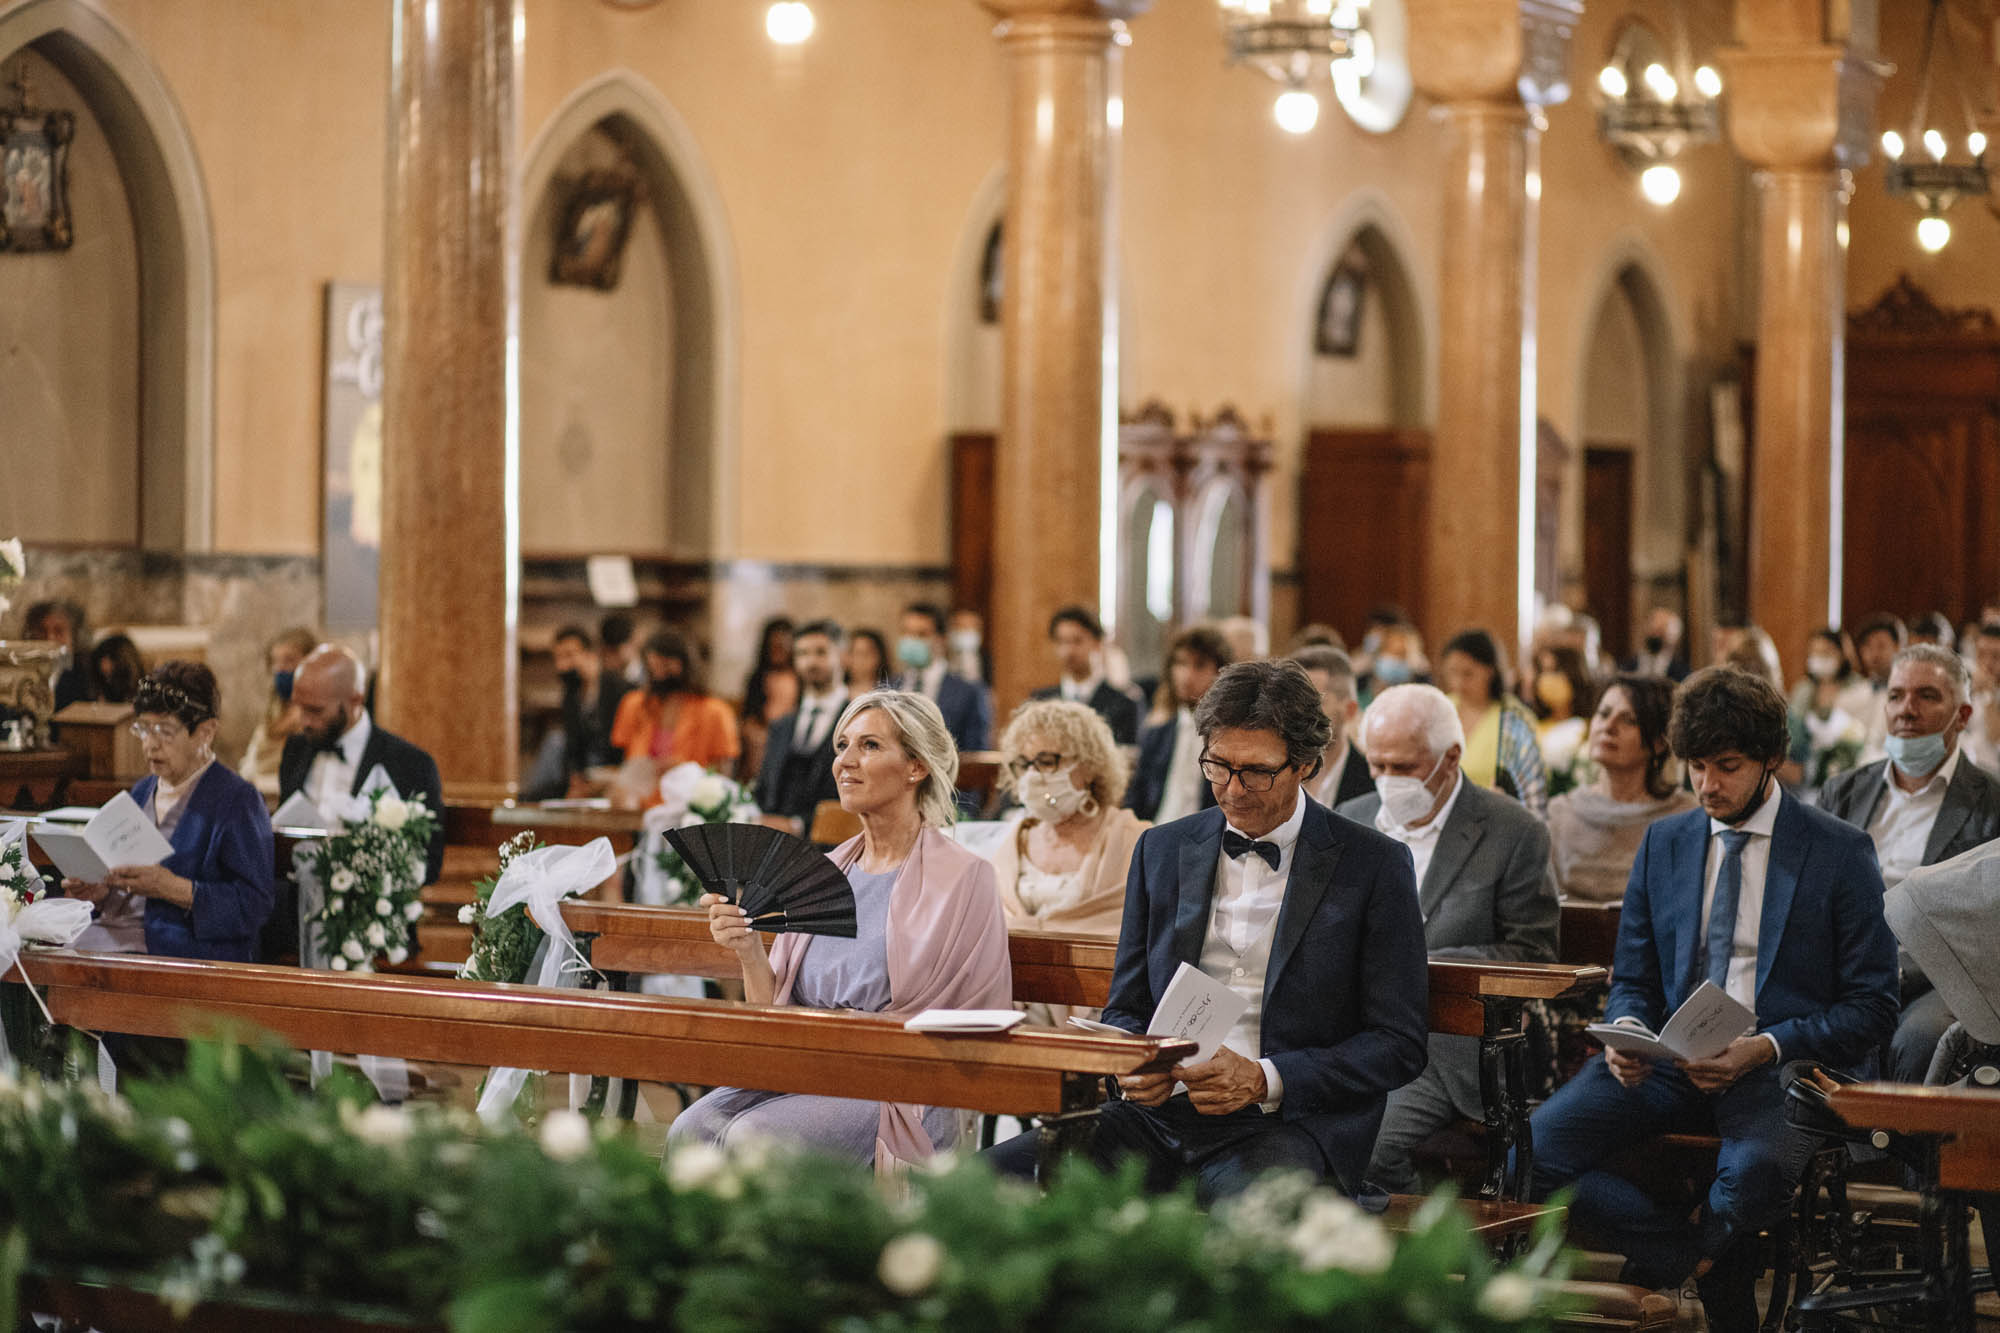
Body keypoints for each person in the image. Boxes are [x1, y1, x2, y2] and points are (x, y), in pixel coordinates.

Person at [1528, 667, 1900, 1331]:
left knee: (1754, 1179)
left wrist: (1766, 1044)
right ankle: (1692, 1255)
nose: (1706, 785)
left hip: (1778, 1065)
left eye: (1726, 766)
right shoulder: (1666, 842)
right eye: (1696, 766)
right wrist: (1629, 1029)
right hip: (1668, 1060)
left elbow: (1873, 1005)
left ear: (1771, 759)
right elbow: (1633, 977)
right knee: (1525, 1152)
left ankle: (1687, 1257)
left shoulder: (1838, 851)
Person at [986, 659, 1429, 1203]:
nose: (1233, 790)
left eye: (1256, 772)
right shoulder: (1163, 849)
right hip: (1153, 1118)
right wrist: (1132, 1066)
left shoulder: (1373, 865)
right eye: (1217, 766)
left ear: (1306, 765)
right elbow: (1127, 1006)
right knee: (983, 1184)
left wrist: (1266, 1077)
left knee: (1246, 1229)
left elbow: (1399, 1044)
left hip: (1286, 1126)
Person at [674, 689, 1011, 1170]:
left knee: (752, 1139)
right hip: (806, 1067)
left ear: (916, 767)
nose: (845, 762)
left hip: (900, 1084)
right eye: (841, 746)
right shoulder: (823, 871)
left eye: (869, 746)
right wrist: (749, 948)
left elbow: (974, 1020)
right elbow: (773, 1013)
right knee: (690, 1130)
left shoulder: (963, 877)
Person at [1335, 683, 1560, 1193]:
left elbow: (1534, 954)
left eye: (1404, 767)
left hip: (1450, 1045)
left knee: (1366, 1149)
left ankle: (1432, 1249)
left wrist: (1418, 962)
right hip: (1347, 1037)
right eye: (1377, 764)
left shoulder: (1513, 832)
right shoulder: (1350, 818)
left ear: (1451, 757)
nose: (1387, 780)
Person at [1816, 644, 2000, 1082]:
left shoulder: (1991, 801)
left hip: (1938, 974)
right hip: (1843, 963)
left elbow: (1986, 926)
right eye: (1896, 696)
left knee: (1922, 1038)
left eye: (1927, 696)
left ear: (1963, 715)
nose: (1907, 710)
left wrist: (1892, 971)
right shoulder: (1843, 792)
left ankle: (1895, 1150)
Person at [66, 662, 275, 962]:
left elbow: (255, 906)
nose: (150, 745)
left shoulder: (237, 800)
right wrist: (100, 893)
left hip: (180, 954)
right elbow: (123, 882)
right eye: (143, 729)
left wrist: (174, 888)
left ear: (206, 732)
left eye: (165, 731)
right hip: (113, 936)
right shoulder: (141, 792)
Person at [279, 645, 446, 885]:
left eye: (314, 710)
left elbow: (428, 864)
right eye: (298, 706)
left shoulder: (411, 764)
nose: (303, 721)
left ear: (355, 699)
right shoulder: (296, 749)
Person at [987, 698, 1147, 937]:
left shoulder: (1131, 840)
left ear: (1090, 766)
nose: (1032, 776)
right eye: (1024, 764)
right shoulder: (1015, 839)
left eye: (1046, 762)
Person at [1546, 675, 1696, 902]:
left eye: (1629, 720)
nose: (1609, 727)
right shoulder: (1559, 814)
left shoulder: (1686, 816)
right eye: (1603, 714)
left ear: (1658, 742)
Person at [610, 629, 741, 793]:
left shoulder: (716, 712)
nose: (659, 674)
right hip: (641, 803)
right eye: (653, 667)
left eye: (666, 664)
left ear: (686, 664)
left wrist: (686, 770)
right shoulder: (634, 704)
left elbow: (724, 777)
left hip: (692, 803)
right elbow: (622, 764)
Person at [1438, 628, 1550, 818]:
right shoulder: (1439, 708)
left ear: (1490, 671)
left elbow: (1533, 786)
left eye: (1468, 674)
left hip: (1495, 819)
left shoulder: (1514, 718)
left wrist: (1508, 799)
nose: (1458, 683)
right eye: (1452, 672)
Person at [1127, 626, 1232, 822]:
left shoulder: (1231, 737)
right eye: (1181, 663)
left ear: (1219, 672)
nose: (1187, 675)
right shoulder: (1157, 734)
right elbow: (1136, 800)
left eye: (1199, 665)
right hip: (1155, 834)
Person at [753, 619, 848, 829]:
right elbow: (764, 790)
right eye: (802, 654)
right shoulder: (781, 726)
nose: (811, 662)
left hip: (833, 847)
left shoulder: (858, 721)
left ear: (843, 656)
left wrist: (798, 826)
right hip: (772, 845)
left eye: (821, 652)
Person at [1030, 605, 1141, 745]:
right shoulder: (1040, 701)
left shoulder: (1122, 704)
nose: (1068, 651)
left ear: (1096, 643)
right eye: (1061, 642)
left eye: (1077, 641)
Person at [893, 602, 992, 752]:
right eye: (907, 633)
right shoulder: (889, 686)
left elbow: (975, 754)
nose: (912, 640)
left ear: (941, 639)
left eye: (922, 634)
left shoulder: (967, 691)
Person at [238, 625, 320, 798]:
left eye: (289, 660)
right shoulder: (274, 711)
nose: (280, 669)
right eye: (276, 662)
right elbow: (253, 763)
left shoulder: (317, 718)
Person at [1289, 646, 1372, 808]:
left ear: (1350, 710)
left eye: (1311, 704)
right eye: (1290, 703)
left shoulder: (1372, 784)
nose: (1296, 713)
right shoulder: (1270, 775)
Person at [1788, 627, 1866, 791]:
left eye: (1826, 652)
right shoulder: (1803, 689)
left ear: (1843, 654)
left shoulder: (1858, 688)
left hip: (1849, 770)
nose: (1820, 658)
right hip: (1807, 774)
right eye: (1815, 652)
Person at [556, 623, 632, 788]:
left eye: (569, 656)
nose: (562, 666)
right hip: (586, 778)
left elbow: (624, 749)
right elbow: (573, 749)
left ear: (590, 654)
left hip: (615, 778)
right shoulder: (571, 695)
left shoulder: (622, 690)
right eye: (558, 658)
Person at [737, 615, 800, 781]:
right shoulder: (757, 678)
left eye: (782, 647)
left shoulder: (800, 678)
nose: (778, 652)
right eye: (774, 647)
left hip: (791, 737)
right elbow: (749, 715)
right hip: (761, 737)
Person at [1844, 613, 1907, 763]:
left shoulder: (1909, 697)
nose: (1874, 654)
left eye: (1881, 646)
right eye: (1868, 646)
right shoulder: (1850, 695)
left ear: (1899, 647)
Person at [22, 598, 89, 713]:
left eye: (59, 631)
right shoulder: (22, 674)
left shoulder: (86, 676)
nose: (50, 638)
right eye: (41, 630)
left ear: (74, 637)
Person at [1964, 622, 2000, 774]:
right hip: (1966, 770)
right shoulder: (1966, 683)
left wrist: (1989, 696)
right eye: (1981, 654)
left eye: (1996, 656)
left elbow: (1996, 739)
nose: (1987, 663)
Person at [1623, 608, 1691, 682]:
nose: (1654, 634)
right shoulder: (1629, 667)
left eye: (1660, 631)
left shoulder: (1681, 671)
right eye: (1652, 628)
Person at [86, 634, 145, 706]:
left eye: (110, 659)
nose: (104, 666)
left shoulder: (141, 687)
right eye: (101, 660)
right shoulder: (99, 683)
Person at [946, 607, 991, 685]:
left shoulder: (988, 660)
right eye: (959, 627)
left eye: (969, 627)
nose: (964, 632)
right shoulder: (942, 659)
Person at [599, 611, 642, 688]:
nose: (610, 658)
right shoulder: (602, 675)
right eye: (608, 652)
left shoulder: (646, 675)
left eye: (615, 651)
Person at [846, 627, 892, 693]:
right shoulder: (839, 693)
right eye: (853, 653)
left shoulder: (889, 693)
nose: (859, 660)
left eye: (865, 654)